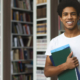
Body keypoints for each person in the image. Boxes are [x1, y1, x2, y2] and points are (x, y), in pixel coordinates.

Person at [44, 0, 80, 78]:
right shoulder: (54, 42)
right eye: (65, 14)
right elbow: (47, 71)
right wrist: (66, 66)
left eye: (73, 14)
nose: (69, 17)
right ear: (60, 18)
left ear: (78, 17)